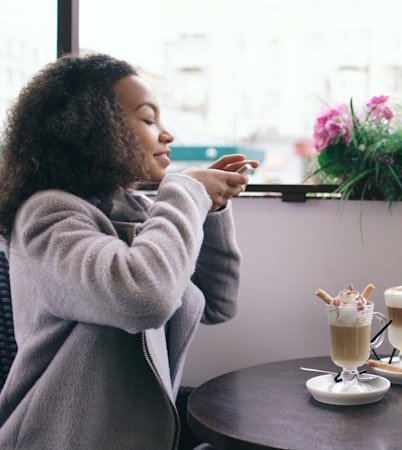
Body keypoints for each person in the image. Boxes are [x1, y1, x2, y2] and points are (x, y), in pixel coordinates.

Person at [0, 53, 258, 448]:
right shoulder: (47, 215)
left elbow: (218, 303)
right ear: (95, 129)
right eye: (149, 119)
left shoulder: (134, 211)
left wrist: (211, 207)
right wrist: (187, 191)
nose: (167, 135)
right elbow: (142, 298)